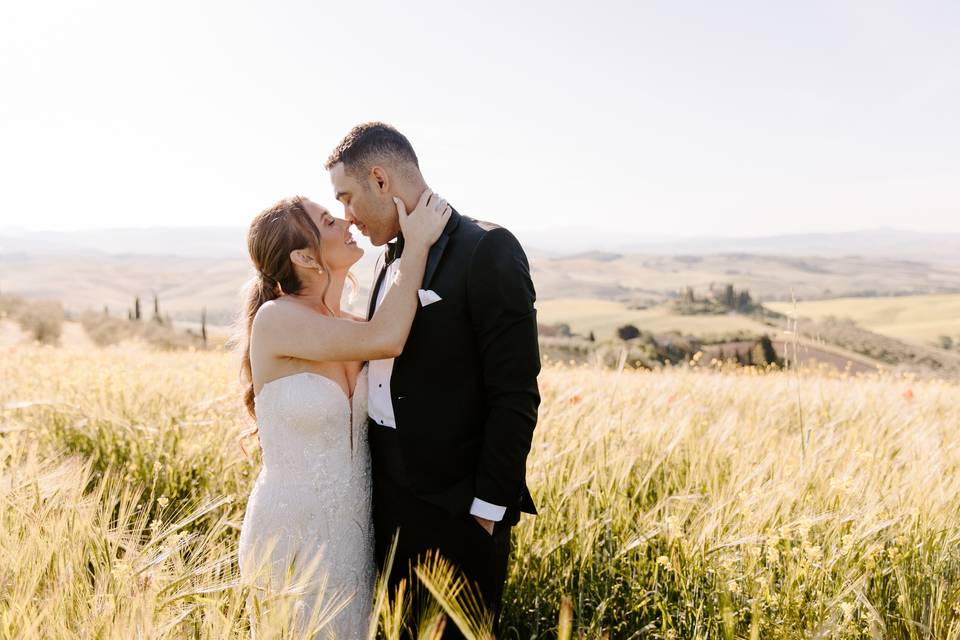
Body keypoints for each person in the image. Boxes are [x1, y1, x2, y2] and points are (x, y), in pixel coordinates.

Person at [326, 122, 541, 638]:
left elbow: (515, 394)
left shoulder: (486, 249)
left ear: (380, 179)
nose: (346, 217)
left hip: (456, 509)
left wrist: (485, 512)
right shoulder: (387, 258)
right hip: (384, 499)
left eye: (347, 197)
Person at [235, 191, 451, 638]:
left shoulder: (352, 326)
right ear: (303, 256)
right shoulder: (276, 319)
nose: (348, 223)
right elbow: (388, 337)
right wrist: (418, 247)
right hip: (293, 530)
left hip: (355, 533)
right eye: (330, 221)